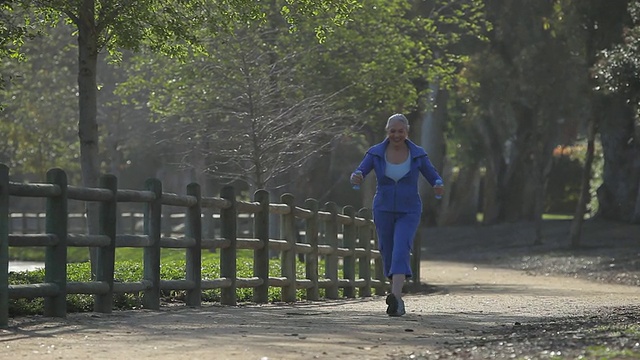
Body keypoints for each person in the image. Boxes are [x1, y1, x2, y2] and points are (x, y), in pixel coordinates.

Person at [350, 113, 444, 317]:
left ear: (407, 132)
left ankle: (397, 297)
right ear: (387, 131)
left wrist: (438, 185)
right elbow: (360, 171)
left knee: (402, 246)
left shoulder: (418, 154)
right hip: (383, 208)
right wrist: (356, 177)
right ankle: (396, 293)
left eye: (400, 131)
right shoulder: (376, 153)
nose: (396, 135)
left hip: (409, 209)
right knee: (388, 249)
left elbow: (433, 175)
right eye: (392, 131)